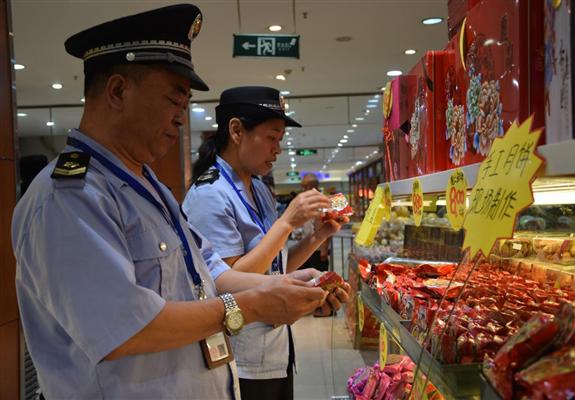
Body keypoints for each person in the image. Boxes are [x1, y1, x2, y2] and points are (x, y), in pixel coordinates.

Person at [11, 5, 336, 399]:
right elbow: (126, 328)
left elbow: (211, 272)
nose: (182, 118)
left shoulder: (149, 187)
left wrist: (284, 285)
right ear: (118, 91)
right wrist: (250, 307)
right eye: (173, 101)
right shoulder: (70, 197)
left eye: (185, 106)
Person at [182, 86, 350, 399]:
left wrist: (318, 235)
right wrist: (287, 222)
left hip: (275, 347)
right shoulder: (209, 195)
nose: (278, 149)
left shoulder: (258, 189)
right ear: (236, 131)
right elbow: (228, 282)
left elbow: (274, 265)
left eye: (281, 139)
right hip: (239, 358)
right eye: (272, 137)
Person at [297, 173, 331, 273]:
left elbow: (327, 225)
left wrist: (324, 249)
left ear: (311, 186)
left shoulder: (323, 202)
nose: (302, 190)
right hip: (305, 248)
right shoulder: (307, 201)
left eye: (304, 187)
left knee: (318, 276)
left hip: (317, 249)